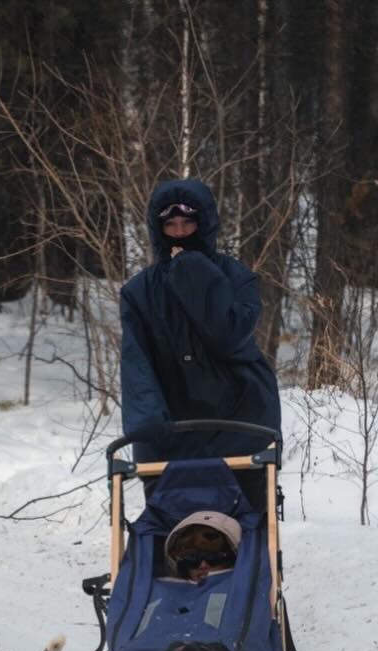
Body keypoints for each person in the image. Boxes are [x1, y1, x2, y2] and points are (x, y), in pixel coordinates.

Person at [120, 177, 281, 464]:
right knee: (174, 507)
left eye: (187, 223)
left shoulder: (238, 278)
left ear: (203, 224)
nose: (179, 233)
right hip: (170, 422)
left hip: (240, 418)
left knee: (242, 508)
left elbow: (230, 336)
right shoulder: (139, 292)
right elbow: (137, 361)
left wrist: (192, 271)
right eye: (171, 225)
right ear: (159, 230)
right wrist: (146, 425)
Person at [164, 510, 240, 583]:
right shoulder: (165, 591)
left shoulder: (245, 592)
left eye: (213, 557)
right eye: (191, 558)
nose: (203, 566)